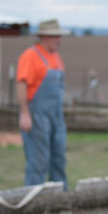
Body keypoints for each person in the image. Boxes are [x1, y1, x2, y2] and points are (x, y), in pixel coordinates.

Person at [16, 19, 70, 190]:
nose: (59, 40)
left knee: (58, 158)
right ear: (44, 37)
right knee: (39, 160)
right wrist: (25, 113)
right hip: (37, 114)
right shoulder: (30, 56)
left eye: (60, 36)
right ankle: (34, 202)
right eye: (56, 36)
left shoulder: (57, 58)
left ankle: (60, 198)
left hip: (56, 115)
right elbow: (21, 84)